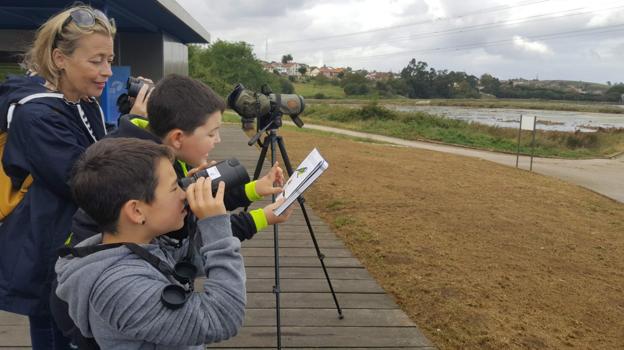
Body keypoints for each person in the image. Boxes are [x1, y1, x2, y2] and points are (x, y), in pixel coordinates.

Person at [0, 5, 118, 348]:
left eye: (109, 60)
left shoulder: (79, 101)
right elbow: (82, 179)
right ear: (60, 59)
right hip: (47, 257)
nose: (107, 71)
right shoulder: (35, 114)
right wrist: (136, 129)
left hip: (73, 250)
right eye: (96, 61)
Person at [56, 137, 246, 349]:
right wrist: (215, 224)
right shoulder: (121, 288)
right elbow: (221, 318)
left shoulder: (133, 244)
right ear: (137, 211)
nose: (184, 194)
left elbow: (189, 261)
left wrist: (195, 212)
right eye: (175, 188)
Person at [69, 74, 293, 245]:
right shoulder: (142, 169)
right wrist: (264, 217)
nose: (218, 140)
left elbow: (192, 206)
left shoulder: (152, 149)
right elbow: (188, 230)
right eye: (211, 133)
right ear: (177, 138)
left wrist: (255, 188)